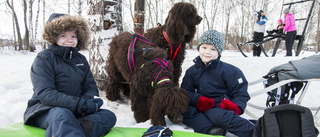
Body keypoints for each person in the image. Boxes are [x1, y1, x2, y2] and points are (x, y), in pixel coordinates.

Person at [23, 13, 117, 137]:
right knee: (62, 115)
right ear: (53, 37)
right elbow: (46, 93)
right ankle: (66, 128)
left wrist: (88, 103)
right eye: (63, 35)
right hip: (46, 109)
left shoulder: (81, 60)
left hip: (75, 110)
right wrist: (79, 104)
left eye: (73, 36)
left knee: (108, 116)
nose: (70, 40)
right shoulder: (44, 58)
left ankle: (67, 130)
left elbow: (90, 86)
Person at [181, 30, 254, 137]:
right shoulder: (192, 71)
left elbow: (241, 93)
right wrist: (198, 100)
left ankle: (255, 131)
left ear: (219, 52)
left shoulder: (230, 71)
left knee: (219, 116)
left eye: (213, 49)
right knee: (183, 110)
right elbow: (185, 91)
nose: (207, 52)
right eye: (204, 47)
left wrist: (235, 106)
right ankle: (211, 129)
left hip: (220, 107)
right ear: (199, 48)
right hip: (200, 105)